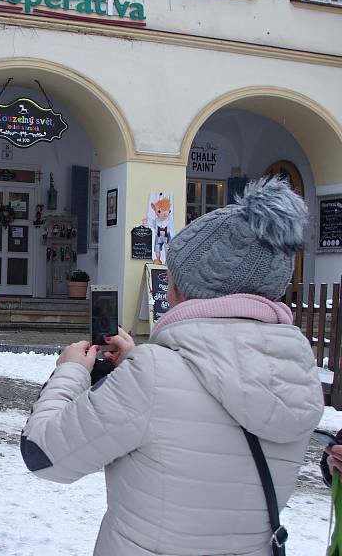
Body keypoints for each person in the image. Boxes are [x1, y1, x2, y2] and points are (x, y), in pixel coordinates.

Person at [22, 177, 324, 555]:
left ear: (185, 288)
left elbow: (45, 454)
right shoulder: (297, 374)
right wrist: (142, 365)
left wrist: (71, 371)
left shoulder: (154, 377)